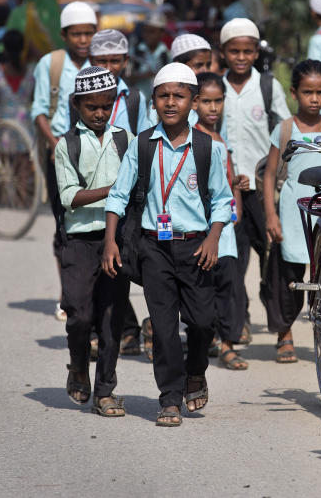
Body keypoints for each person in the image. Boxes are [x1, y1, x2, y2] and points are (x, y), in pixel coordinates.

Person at [102, 62, 233, 427]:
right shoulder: (142, 144)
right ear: (154, 102)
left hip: (196, 248)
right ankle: (170, 398)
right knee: (163, 327)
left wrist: (213, 237)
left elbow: (222, 200)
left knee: (203, 322)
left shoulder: (208, 148)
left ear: (193, 102)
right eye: (163, 96)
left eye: (179, 96)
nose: (170, 102)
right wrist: (110, 241)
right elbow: (117, 195)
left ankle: (196, 371)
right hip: (153, 248)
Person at [55, 66, 134, 417]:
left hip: (115, 238)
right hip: (78, 240)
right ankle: (77, 364)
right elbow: (70, 196)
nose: (100, 114)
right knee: (79, 314)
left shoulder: (125, 140)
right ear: (77, 105)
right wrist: (114, 192)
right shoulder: (66, 145)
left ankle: (105, 391)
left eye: (106, 106)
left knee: (111, 317)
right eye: (92, 107)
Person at [260, 60, 321, 363]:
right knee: (290, 277)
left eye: (320, 92)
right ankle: (285, 334)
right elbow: (270, 174)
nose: (314, 99)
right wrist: (271, 215)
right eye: (308, 92)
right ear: (294, 92)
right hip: (294, 213)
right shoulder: (284, 129)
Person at [220, 18, 292, 346]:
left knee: (273, 260)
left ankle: (282, 328)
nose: (241, 57)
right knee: (232, 262)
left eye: (247, 51)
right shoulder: (214, 89)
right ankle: (239, 320)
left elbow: (282, 129)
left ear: (256, 52)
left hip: (262, 187)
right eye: (234, 51)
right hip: (226, 190)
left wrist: (279, 174)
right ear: (223, 52)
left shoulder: (267, 86)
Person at [30, 1, 97, 322]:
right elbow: (39, 110)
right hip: (60, 151)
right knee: (64, 222)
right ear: (64, 34)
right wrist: (57, 147)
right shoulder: (51, 64)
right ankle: (67, 292)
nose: (83, 40)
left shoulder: (102, 62)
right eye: (77, 34)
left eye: (88, 33)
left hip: (99, 154)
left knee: (99, 220)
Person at [88, 28, 147, 353]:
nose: (109, 66)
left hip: (125, 193)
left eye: (115, 60)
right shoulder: (81, 96)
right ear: (91, 60)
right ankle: (108, 328)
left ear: (125, 61)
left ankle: (121, 327)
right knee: (90, 260)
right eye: (102, 60)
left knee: (120, 256)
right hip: (89, 193)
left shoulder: (135, 99)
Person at [192, 72, 247, 370]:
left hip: (224, 221)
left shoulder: (221, 137)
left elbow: (227, 178)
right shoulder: (192, 135)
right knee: (203, 282)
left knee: (229, 280)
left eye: (218, 101)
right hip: (200, 223)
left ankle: (228, 343)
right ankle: (206, 339)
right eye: (206, 101)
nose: (213, 108)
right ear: (195, 102)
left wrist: (236, 198)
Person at [0, 29, 33, 124]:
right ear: (22, 48)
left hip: (2, 126)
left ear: (4, 48)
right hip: (26, 127)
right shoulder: (31, 71)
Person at [127, 12, 169, 100]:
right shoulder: (136, 51)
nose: (147, 35)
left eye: (152, 32)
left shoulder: (166, 53)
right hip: (139, 100)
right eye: (145, 31)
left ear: (161, 33)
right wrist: (143, 76)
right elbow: (127, 77)